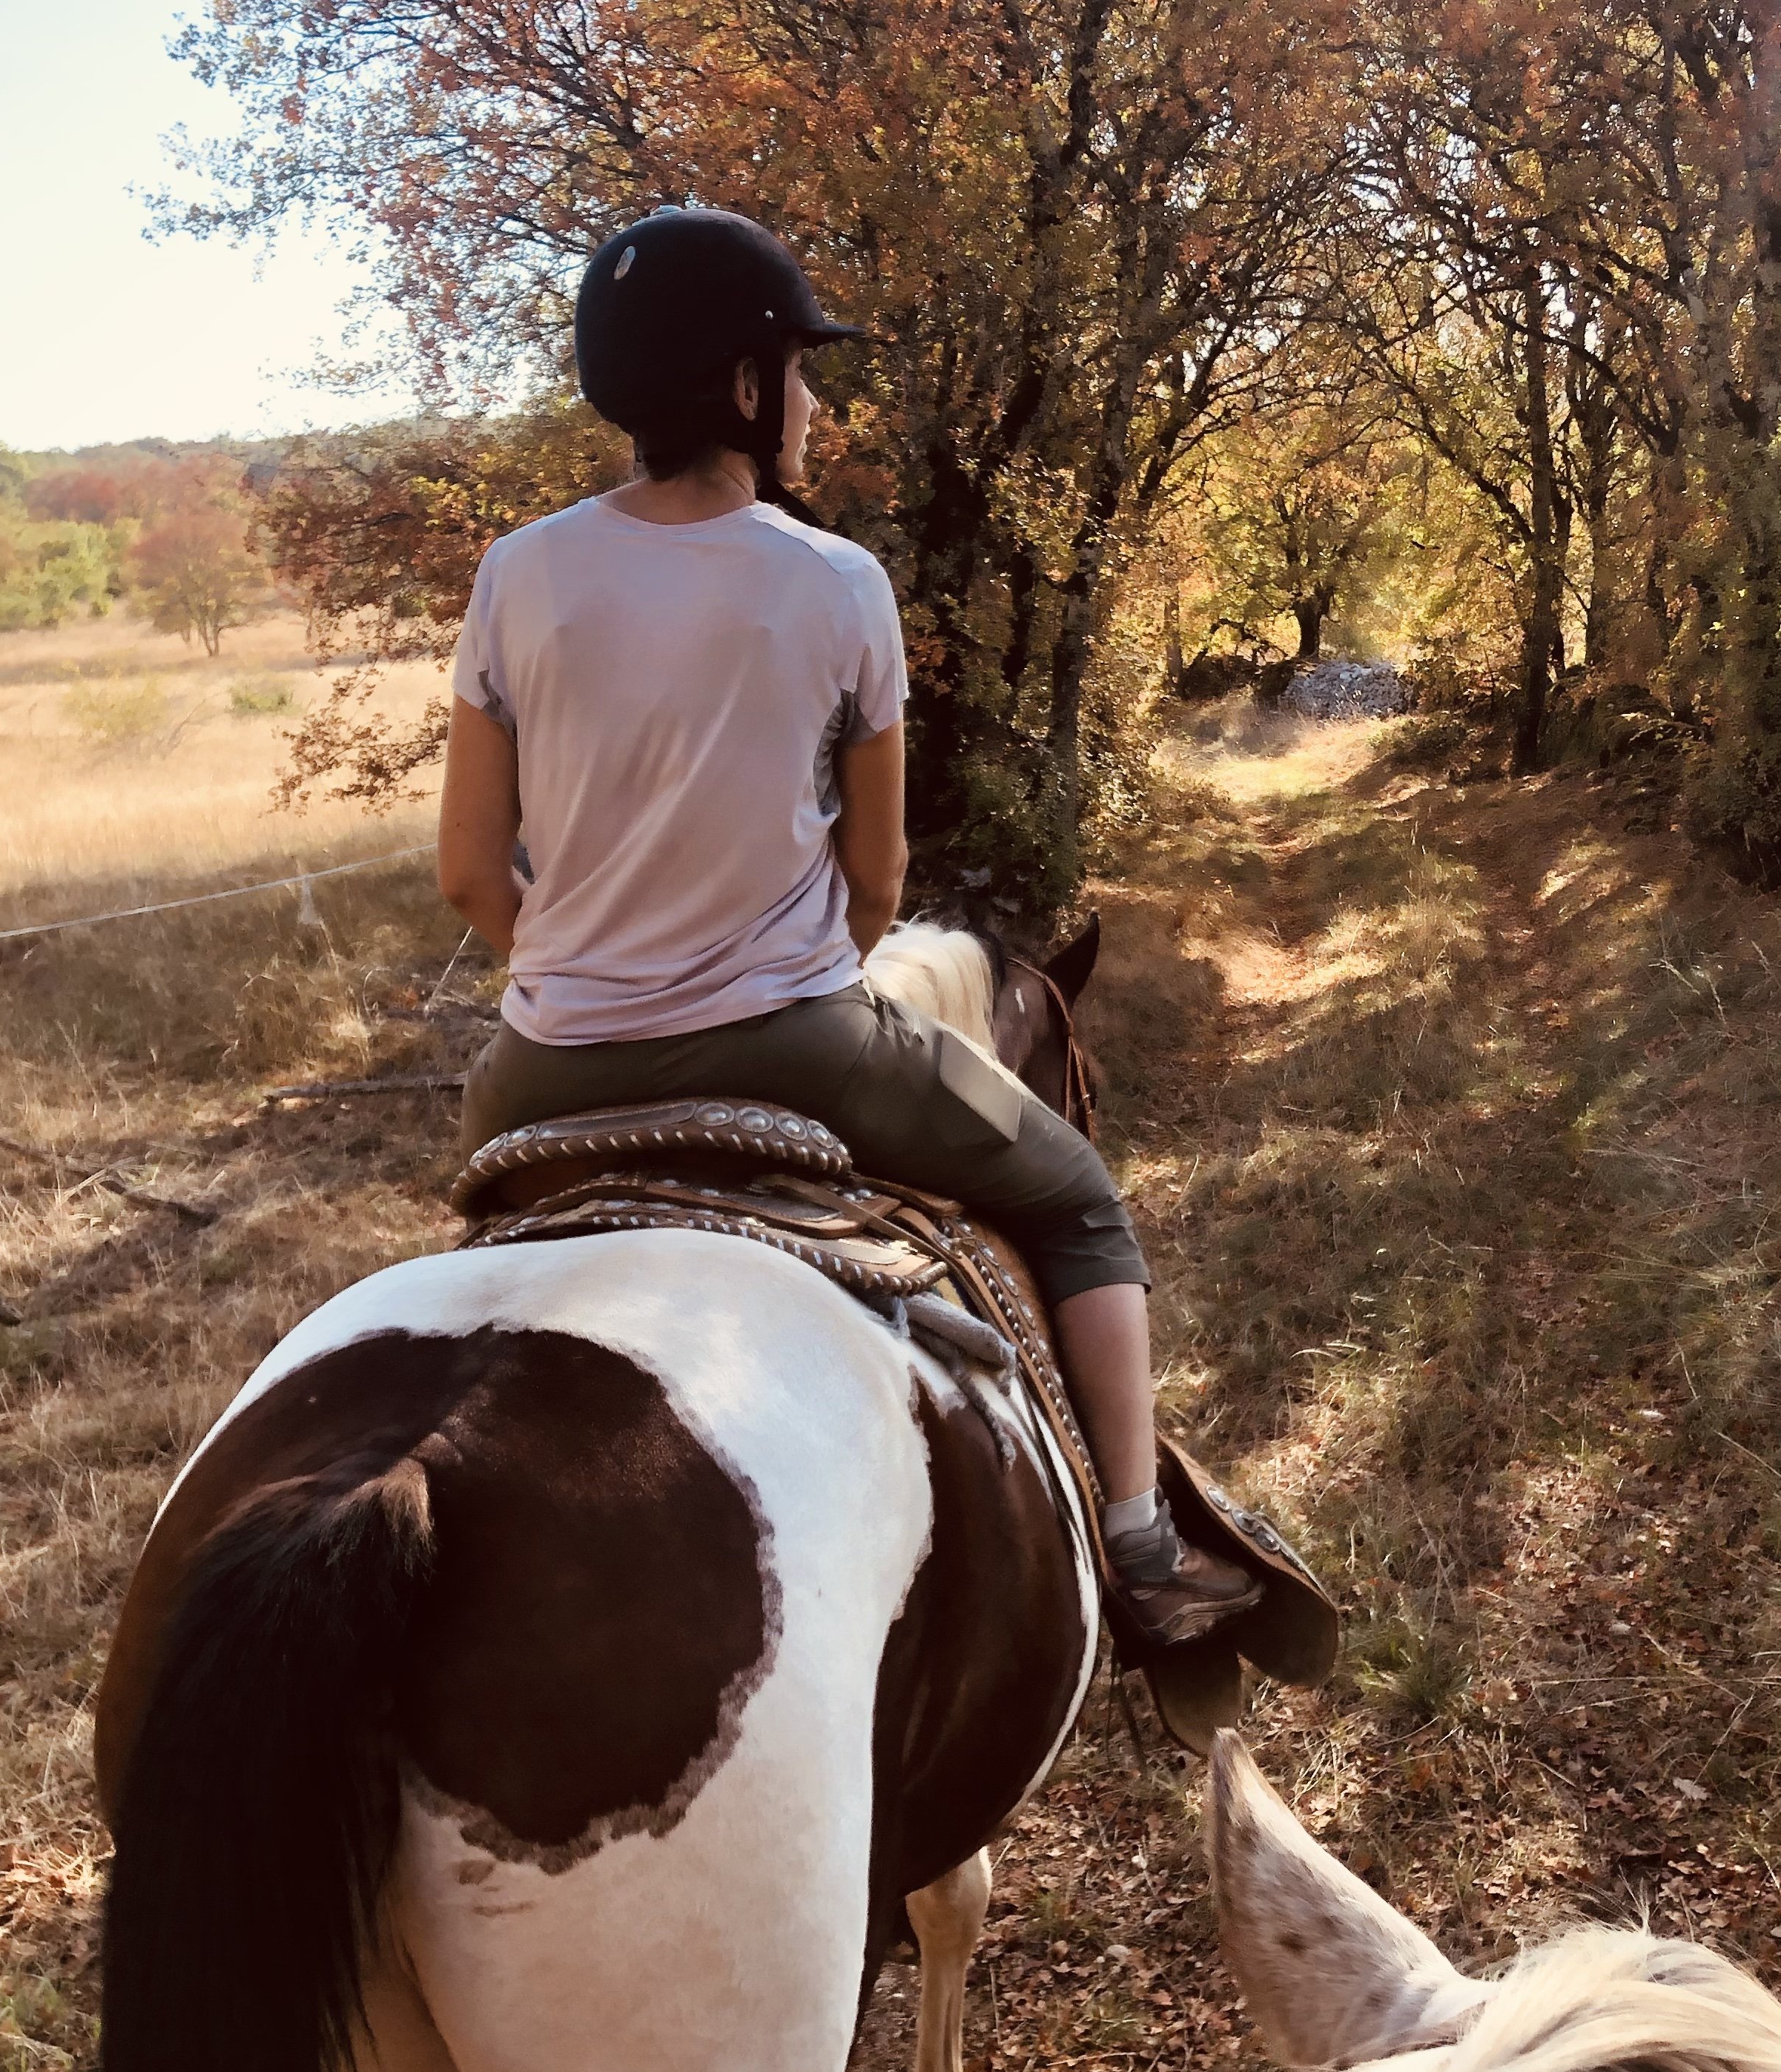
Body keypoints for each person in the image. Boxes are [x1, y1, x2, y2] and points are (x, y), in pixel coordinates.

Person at [434, 205, 1258, 1646]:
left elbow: (463, 875)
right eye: (798, 371)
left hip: (546, 1065)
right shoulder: (839, 585)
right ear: (746, 391)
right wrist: (775, 964)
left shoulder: (518, 575)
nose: (813, 400)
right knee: (1077, 1205)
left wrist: (586, 977)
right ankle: (1137, 1543)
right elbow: (879, 888)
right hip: (798, 1047)